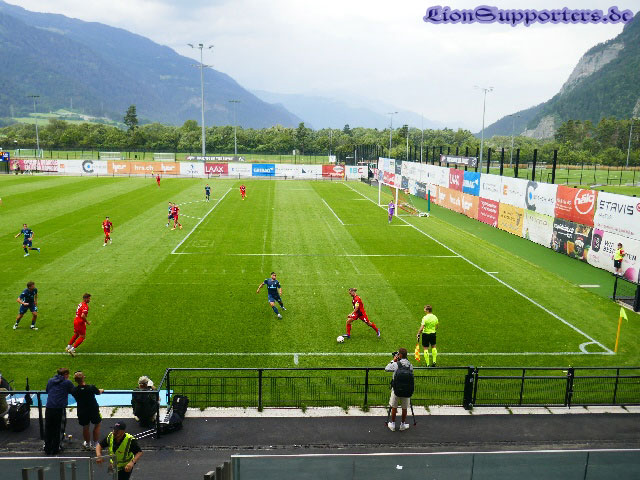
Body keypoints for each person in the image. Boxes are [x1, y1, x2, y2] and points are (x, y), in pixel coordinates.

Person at [44, 368, 75, 455]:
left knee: (48, 428)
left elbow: (47, 390)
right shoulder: (67, 382)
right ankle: (56, 448)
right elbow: (74, 391)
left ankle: (47, 448)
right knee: (58, 429)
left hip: (49, 407)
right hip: (59, 408)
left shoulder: (50, 381)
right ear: (65, 374)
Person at [72, 371, 103, 450]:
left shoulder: (74, 390)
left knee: (85, 427)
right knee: (97, 425)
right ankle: (96, 444)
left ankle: (88, 444)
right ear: (83, 378)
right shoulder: (91, 388)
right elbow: (98, 392)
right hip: (93, 410)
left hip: (82, 411)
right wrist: (102, 390)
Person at [385, 348, 413, 431]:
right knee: (404, 408)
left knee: (394, 407)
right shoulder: (410, 365)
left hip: (396, 389)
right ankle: (402, 424)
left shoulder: (396, 364)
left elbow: (386, 368)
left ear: (400, 355)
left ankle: (393, 424)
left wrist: (393, 361)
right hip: (407, 389)